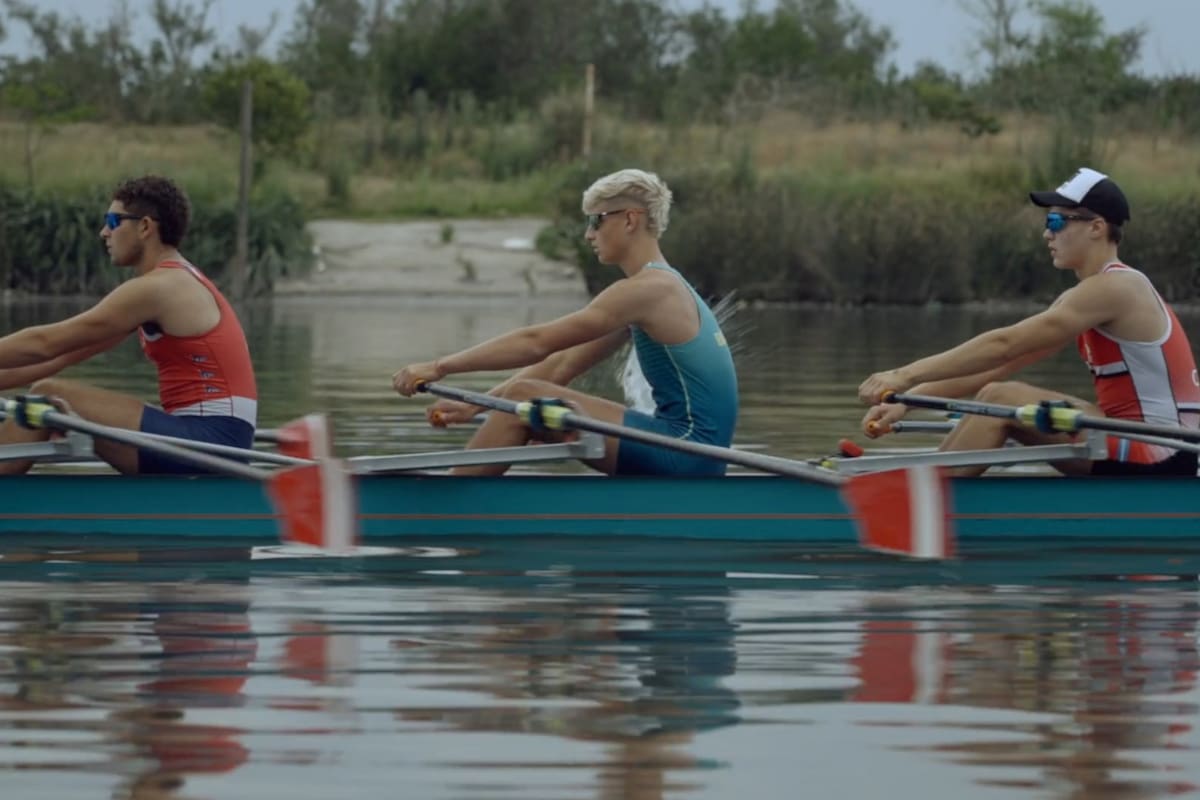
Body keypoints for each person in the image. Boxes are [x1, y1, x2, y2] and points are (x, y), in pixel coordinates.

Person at [392, 168, 738, 476]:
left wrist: (440, 366)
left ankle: (453, 508)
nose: (589, 234)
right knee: (532, 402)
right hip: (692, 451)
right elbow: (561, 363)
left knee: (526, 399)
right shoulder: (654, 290)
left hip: (687, 451)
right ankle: (481, 486)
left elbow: (536, 342)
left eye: (595, 220)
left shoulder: (650, 290)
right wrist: (475, 405)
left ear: (630, 220)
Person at [857, 167, 1200, 477]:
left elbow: (1004, 344)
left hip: (1167, 450)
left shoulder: (1117, 288)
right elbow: (999, 364)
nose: (1047, 235)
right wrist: (907, 400)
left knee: (1001, 398)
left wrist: (902, 375)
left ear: (1097, 227)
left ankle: (920, 497)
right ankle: (921, 488)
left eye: (1056, 222)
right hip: (1136, 438)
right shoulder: (1087, 296)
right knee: (997, 394)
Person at [0, 174, 257, 475]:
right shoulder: (167, 284)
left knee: (51, 397)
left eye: (112, 220)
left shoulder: (161, 287)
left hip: (213, 443)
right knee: (43, 400)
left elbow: (46, 344)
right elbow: (63, 356)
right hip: (211, 438)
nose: (103, 232)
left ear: (145, 227)